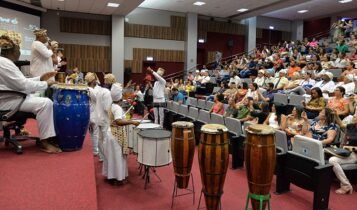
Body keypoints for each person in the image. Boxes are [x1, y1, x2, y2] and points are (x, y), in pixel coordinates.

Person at [0, 31, 60, 153]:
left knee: (39, 98)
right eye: (19, 49)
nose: (20, 52)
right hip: (8, 101)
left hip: (11, 97)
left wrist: (40, 78)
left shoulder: (4, 62)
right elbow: (22, 85)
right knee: (45, 103)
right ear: (13, 50)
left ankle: (50, 136)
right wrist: (45, 84)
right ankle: (45, 142)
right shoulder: (4, 63)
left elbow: (20, 82)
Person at [103, 83, 140, 185]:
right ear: (120, 97)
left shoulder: (112, 105)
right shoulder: (117, 108)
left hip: (110, 133)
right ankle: (118, 178)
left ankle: (111, 176)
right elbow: (119, 121)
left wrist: (126, 117)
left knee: (111, 157)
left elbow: (118, 118)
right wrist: (132, 122)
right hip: (116, 135)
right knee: (118, 157)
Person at [329, 112, 357, 194]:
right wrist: (336, 115)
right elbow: (341, 124)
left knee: (332, 160)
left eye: (355, 116)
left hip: (354, 155)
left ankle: (346, 185)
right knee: (329, 155)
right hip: (346, 153)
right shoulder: (351, 126)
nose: (353, 116)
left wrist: (351, 148)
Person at [85, 72, 100, 156]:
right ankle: (95, 150)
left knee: (90, 133)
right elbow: (97, 99)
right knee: (95, 133)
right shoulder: (91, 90)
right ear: (93, 80)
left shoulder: (86, 88)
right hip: (94, 113)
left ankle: (92, 149)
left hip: (88, 113)